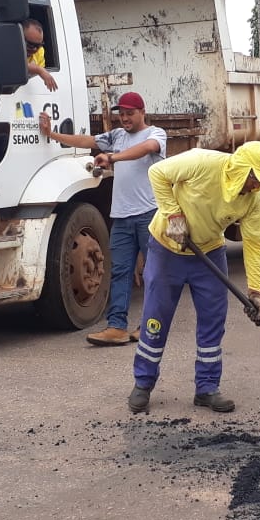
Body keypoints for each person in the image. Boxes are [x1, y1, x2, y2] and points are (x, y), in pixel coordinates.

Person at [128, 141, 260, 414]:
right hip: (166, 249)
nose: (257, 186)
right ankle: (143, 383)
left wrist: (256, 292)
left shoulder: (253, 198)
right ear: (241, 169)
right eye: (254, 179)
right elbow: (157, 173)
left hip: (208, 253)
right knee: (155, 318)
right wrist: (173, 215)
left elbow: (255, 243)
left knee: (213, 320)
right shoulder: (202, 162)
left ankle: (207, 388)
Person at [39, 91, 166, 346]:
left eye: (130, 114)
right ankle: (116, 327)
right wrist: (52, 134)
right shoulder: (117, 136)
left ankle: (150, 326)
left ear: (142, 113)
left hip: (148, 215)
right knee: (119, 272)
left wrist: (112, 157)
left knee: (154, 273)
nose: (125, 118)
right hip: (121, 217)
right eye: (122, 114)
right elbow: (86, 140)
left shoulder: (156, 134)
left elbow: (146, 149)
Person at [22, 18, 58, 92]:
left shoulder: (40, 51)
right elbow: (13, 65)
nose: (35, 49)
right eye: (30, 45)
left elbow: (38, 78)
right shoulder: (11, 49)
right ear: (20, 38)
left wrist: (38, 70)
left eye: (38, 45)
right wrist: (39, 70)